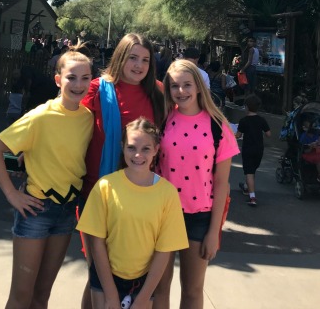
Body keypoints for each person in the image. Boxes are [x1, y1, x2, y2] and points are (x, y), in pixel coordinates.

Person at [0, 45, 94, 309]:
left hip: (67, 212)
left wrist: (24, 157)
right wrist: (12, 194)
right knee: (21, 297)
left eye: (85, 78)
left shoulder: (88, 118)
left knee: (42, 295)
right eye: (71, 77)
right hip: (36, 211)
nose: (78, 84)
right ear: (58, 79)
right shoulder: (41, 115)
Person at [80, 32, 164, 309]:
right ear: (120, 58)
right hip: (98, 192)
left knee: (131, 275)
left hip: (141, 198)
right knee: (97, 274)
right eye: (132, 58)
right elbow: (68, 123)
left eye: (145, 60)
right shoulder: (96, 89)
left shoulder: (158, 93)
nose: (139, 65)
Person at [77, 118, 188, 309]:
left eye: (146, 148)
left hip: (143, 283)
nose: (138, 154)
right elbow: (97, 243)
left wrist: (143, 298)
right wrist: (111, 295)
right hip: (105, 279)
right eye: (131, 147)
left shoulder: (167, 193)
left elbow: (164, 251)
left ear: (156, 149)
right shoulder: (105, 186)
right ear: (122, 147)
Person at [155, 60, 239, 309]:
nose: (181, 92)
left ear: (199, 86)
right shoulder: (162, 121)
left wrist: (214, 232)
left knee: (192, 291)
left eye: (187, 85)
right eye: (174, 86)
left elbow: (222, 184)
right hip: (162, 215)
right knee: (159, 287)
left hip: (200, 219)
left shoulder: (218, 127)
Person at [236, 94, 271, 206]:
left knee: (249, 172)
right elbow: (268, 134)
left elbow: (238, 135)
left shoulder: (243, 121)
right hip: (259, 149)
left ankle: (252, 197)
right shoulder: (261, 120)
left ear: (246, 107)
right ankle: (246, 187)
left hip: (248, 148)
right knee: (253, 169)